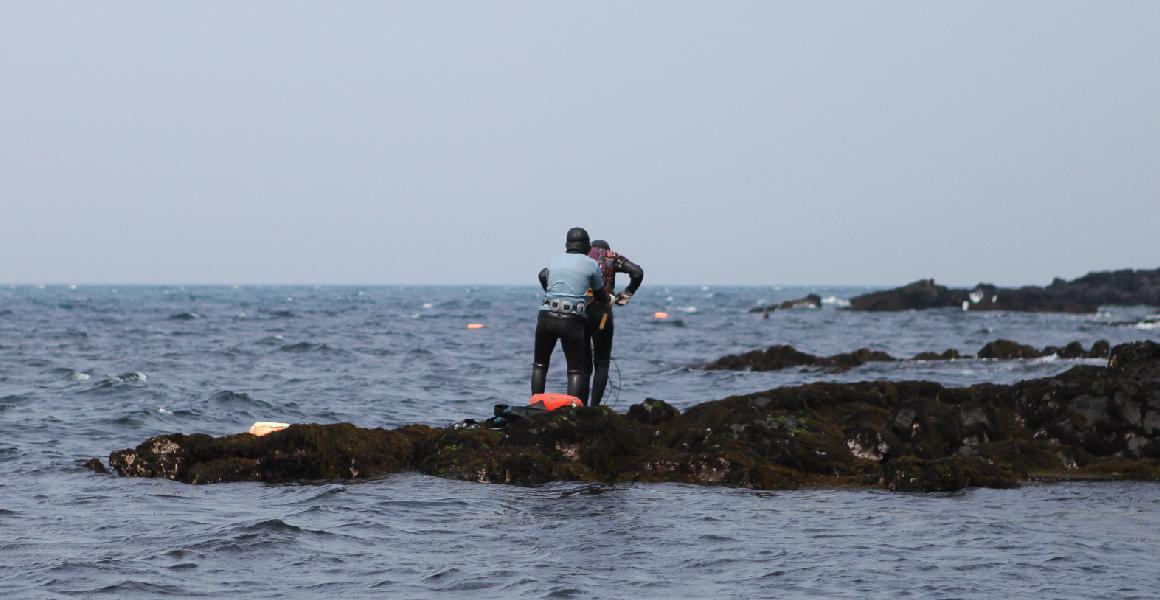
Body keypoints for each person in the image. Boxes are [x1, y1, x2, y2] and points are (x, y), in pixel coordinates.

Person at [532, 227, 610, 402]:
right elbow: (600, 295)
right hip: (572, 321)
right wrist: (610, 300)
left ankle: (535, 404)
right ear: (587, 246)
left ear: (567, 244)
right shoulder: (591, 264)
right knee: (575, 370)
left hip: (546, 316)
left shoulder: (554, 260)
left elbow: (543, 276)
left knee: (540, 365)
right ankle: (572, 410)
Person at [584, 239, 644, 406]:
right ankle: (594, 408)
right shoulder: (611, 257)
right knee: (602, 363)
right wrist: (625, 296)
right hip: (602, 312)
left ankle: (577, 407)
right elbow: (637, 273)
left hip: (580, 312)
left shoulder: (582, 256)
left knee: (580, 365)